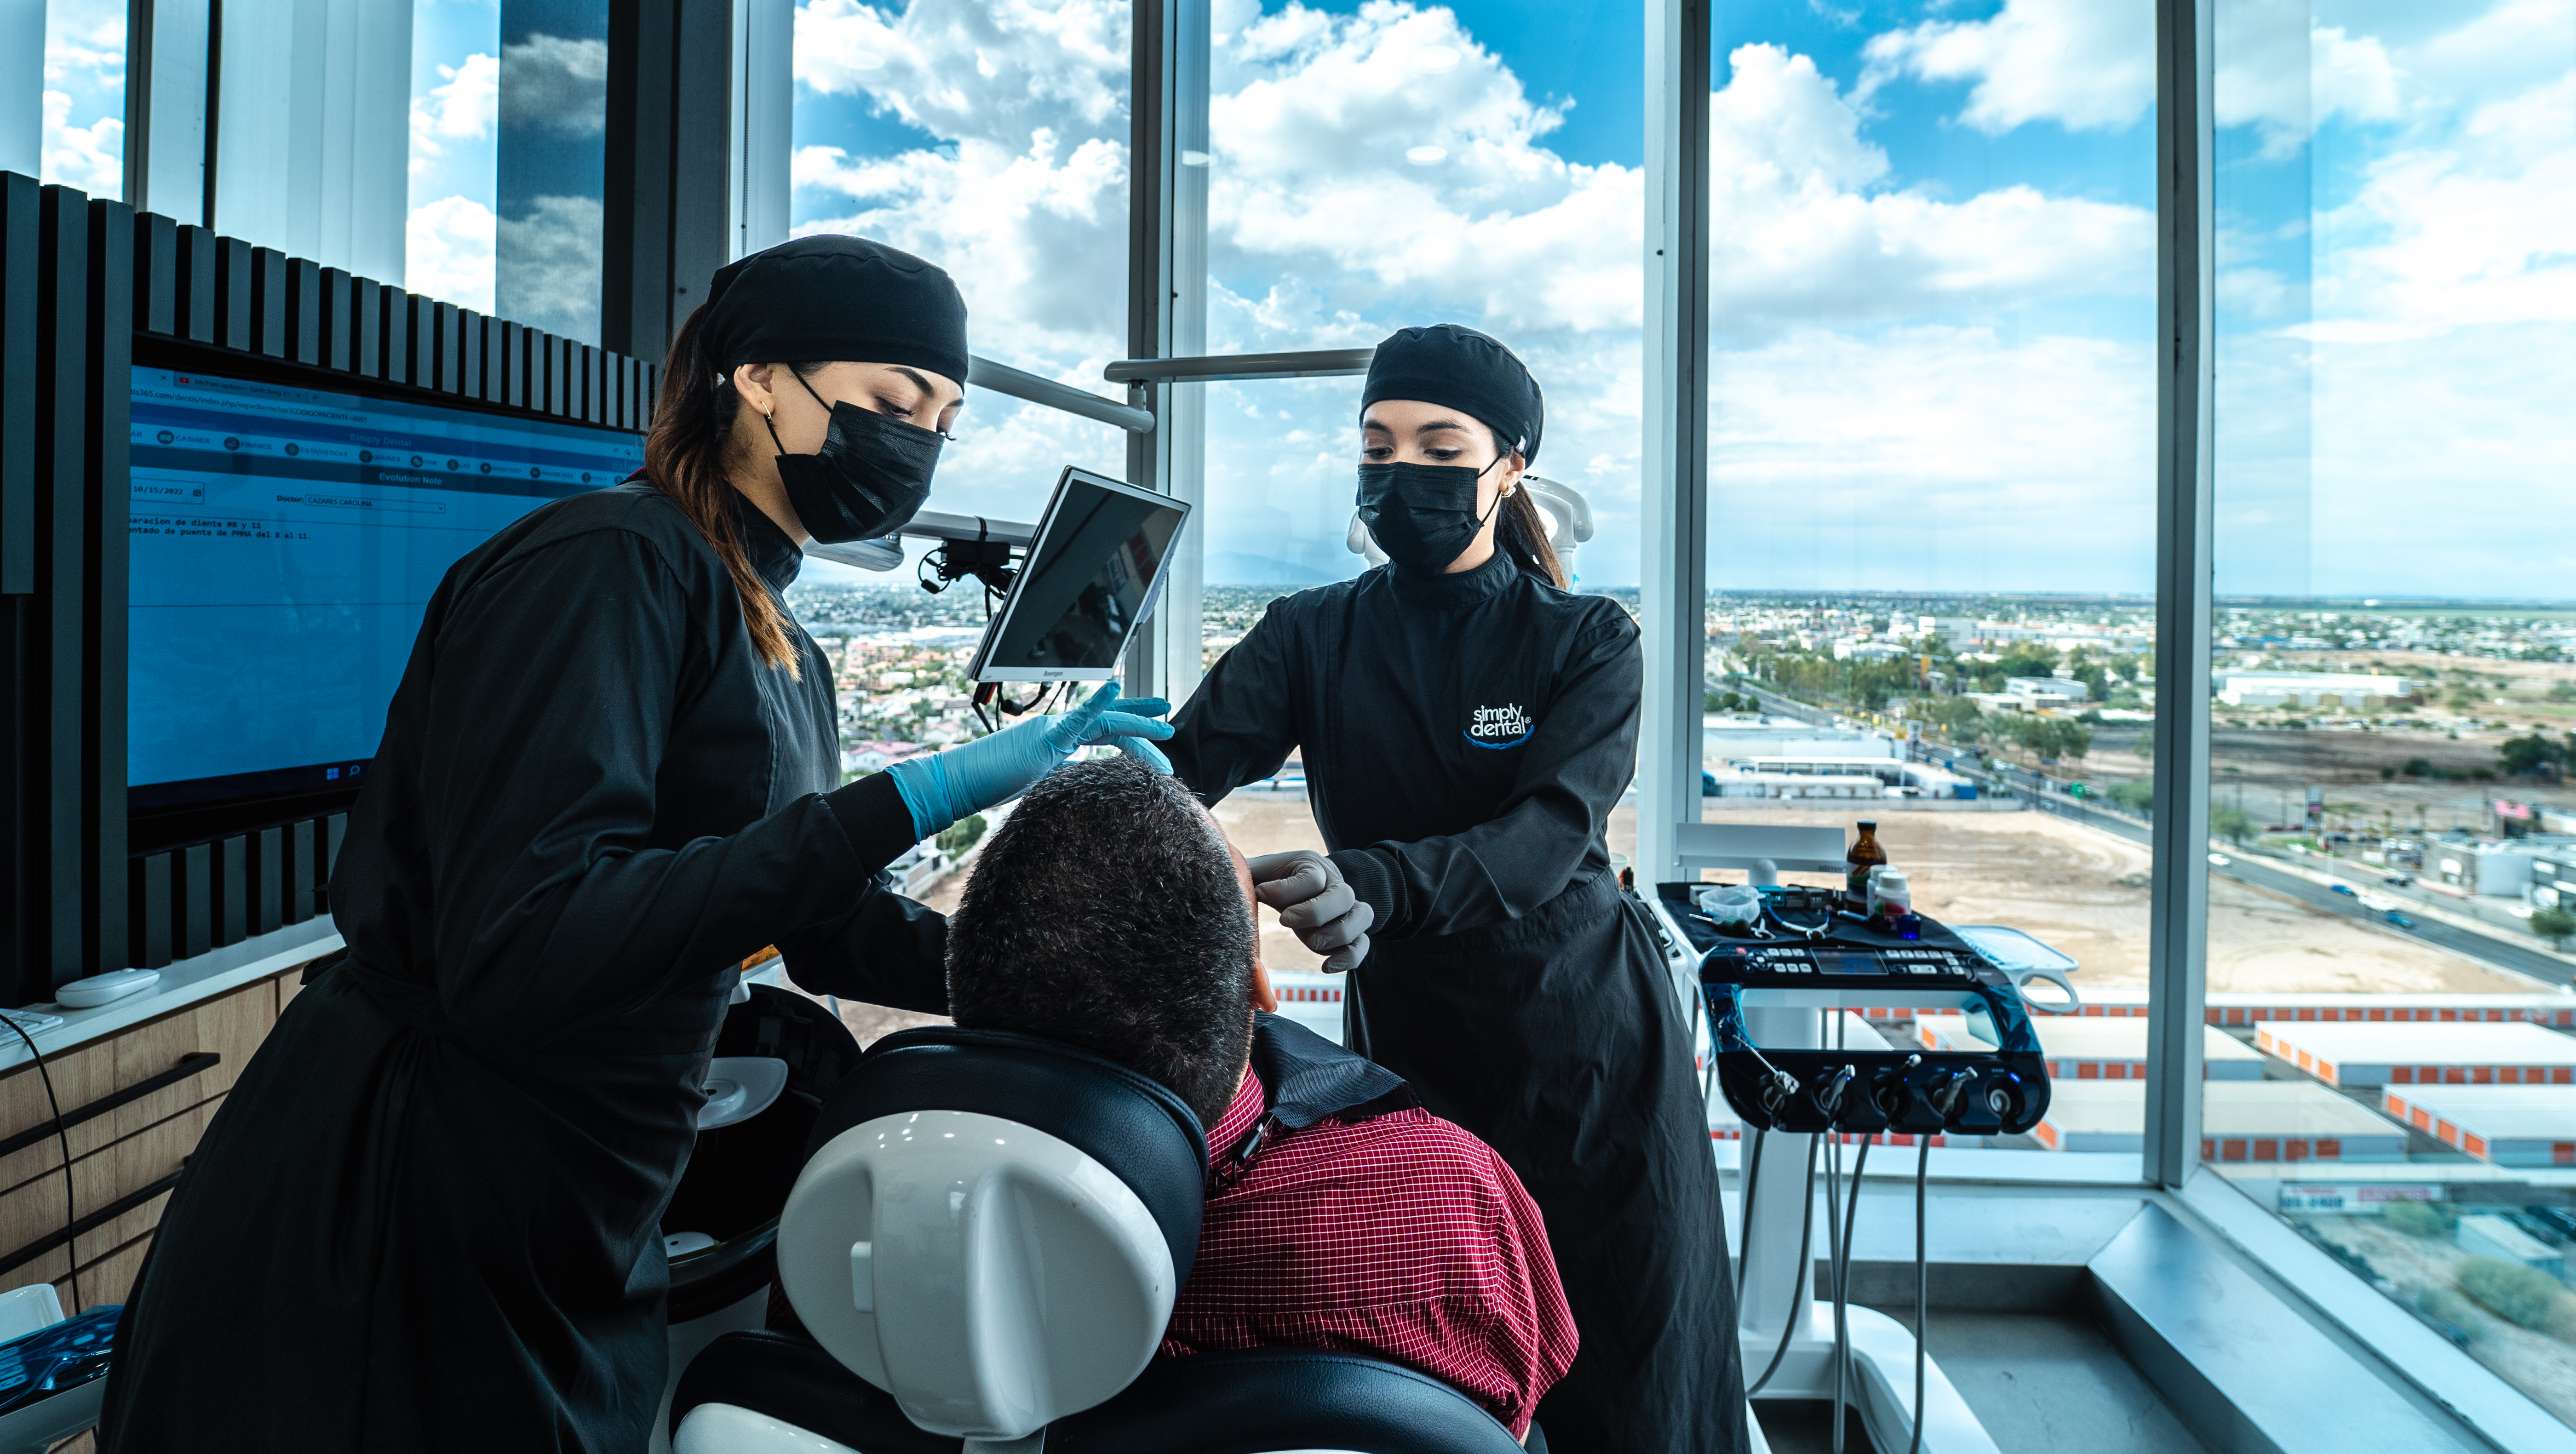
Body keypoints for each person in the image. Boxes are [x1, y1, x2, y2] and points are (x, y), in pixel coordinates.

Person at [98, 236, 1174, 1454]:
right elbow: (526, 938)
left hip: (574, 1199)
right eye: (891, 403)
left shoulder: (778, 639)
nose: (918, 444)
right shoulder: (602, 566)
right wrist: (916, 795)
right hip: (411, 1203)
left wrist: (1049, 989)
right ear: (759, 378)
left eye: (942, 420)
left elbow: (819, 918)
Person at [1165, 323, 1744, 1452]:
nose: (1401, 474)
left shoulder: (1585, 641)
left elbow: (1544, 837)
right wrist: (1109, 784)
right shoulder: (1308, 635)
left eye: (1440, 447)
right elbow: (1182, 775)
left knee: (1628, 1357)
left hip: (1582, 1050)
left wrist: (1368, 879)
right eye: (1377, 447)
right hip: (1414, 1050)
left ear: (1509, 466)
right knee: (1434, 1360)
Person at [940, 756, 1578, 1442]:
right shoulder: (1448, 1193)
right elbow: (1524, 1386)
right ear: (1260, 989)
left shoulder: (923, 1213)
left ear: (965, 991)